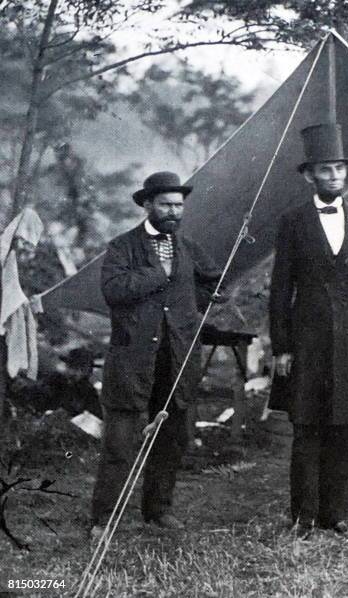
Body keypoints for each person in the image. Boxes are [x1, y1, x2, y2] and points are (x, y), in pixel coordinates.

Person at [90, 171, 222, 539]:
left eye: (178, 205)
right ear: (147, 204)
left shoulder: (189, 247)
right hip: (132, 361)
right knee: (120, 442)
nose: (173, 212)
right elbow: (114, 290)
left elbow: (213, 279)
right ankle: (103, 519)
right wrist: (157, 274)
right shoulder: (122, 247)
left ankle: (158, 510)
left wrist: (206, 295)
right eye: (165, 204)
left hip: (176, 359)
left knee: (170, 438)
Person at [269, 123, 348, 538]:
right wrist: (281, 346)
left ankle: (336, 515)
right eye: (326, 170)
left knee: (344, 430)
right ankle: (302, 515)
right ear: (309, 176)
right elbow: (281, 288)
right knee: (307, 430)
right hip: (307, 343)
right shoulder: (293, 222)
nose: (335, 176)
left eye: (339, 169)